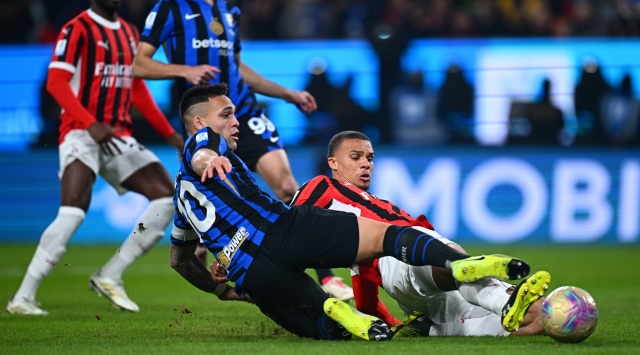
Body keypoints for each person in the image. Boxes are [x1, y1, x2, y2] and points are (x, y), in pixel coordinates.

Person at [169, 83, 531, 341]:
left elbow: (180, 261)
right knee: (386, 235)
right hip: (281, 228)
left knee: (323, 329)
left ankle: (337, 313)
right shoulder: (203, 145)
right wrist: (209, 158)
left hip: (249, 272)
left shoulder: (180, 200)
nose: (236, 122)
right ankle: (455, 263)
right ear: (199, 123)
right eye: (228, 114)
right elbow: (203, 150)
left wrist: (221, 289)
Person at [132, 0, 350, 300]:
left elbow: (235, 67)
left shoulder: (229, 12)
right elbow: (139, 63)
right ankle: (235, 281)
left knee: (287, 185)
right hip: (206, 125)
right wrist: (183, 71)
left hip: (244, 112)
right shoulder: (169, 9)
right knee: (213, 205)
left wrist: (286, 92)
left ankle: (326, 277)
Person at [6, 0, 184, 315]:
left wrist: (170, 134)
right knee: (72, 213)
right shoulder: (76, 29)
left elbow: (136, 89)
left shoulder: (131, 33)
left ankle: (111, 274)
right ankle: (22, 298)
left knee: (168, 199)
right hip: (81, 134)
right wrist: (90, 124)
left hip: (117, 136)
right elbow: (56, 83)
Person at [290, 131, 550, 336]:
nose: (365, 164)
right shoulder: (321, 187)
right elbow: (287, 225)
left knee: (537, 318)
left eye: (370, 158)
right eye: (356, 157)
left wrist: (393, 325)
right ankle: (496, 297)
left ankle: (434, 330)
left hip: (410, 286)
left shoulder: (366, 217)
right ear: (332, 162)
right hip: (401, 256)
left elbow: (365, 297)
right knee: (455, 261)